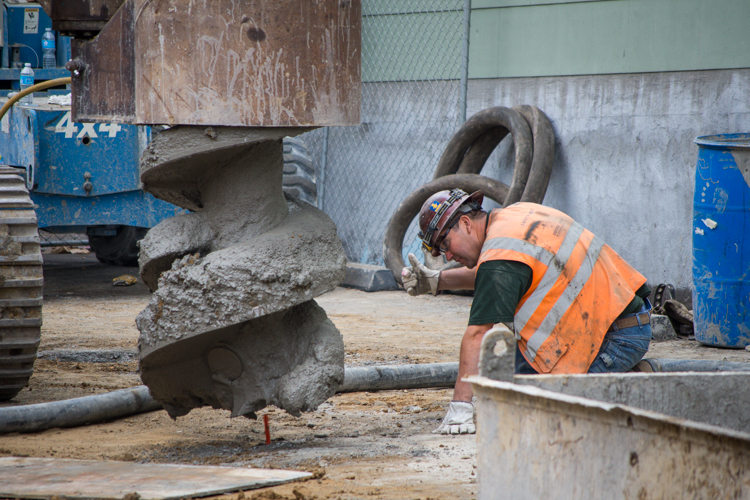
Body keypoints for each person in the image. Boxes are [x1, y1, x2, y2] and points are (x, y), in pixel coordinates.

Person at [401, 189, 652, 435]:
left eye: (445, 243)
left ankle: (635, 382)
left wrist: (460, 408)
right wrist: (438, 280)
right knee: (503, 387)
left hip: (615, 339)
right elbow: (492, 273)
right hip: (618, 321)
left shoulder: (500, 257)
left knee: (547, 417)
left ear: (465, 223)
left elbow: (477, 334)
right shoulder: (513, 218)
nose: (447, 255)